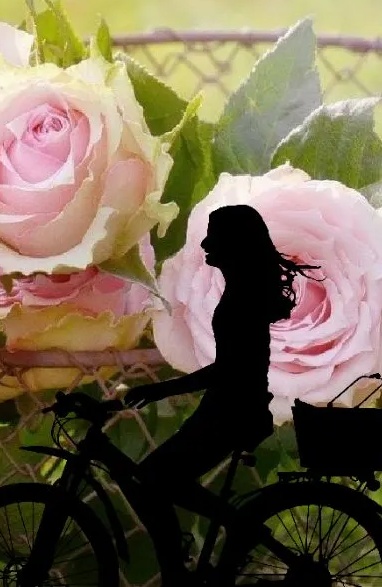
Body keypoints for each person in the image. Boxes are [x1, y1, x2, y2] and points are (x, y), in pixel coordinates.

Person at [125, 205, 324, 586]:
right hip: (228, 407)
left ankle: (183, 566)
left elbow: (230, 369)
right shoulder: (242, 292)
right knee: (157, 479)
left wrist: (160, 389)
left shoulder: (244, 299)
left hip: (233, 412)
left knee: (151, 479)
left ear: (234, 242)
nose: (204, 242)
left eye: (214, 234)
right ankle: (218, 538)